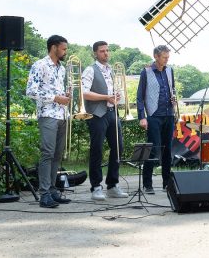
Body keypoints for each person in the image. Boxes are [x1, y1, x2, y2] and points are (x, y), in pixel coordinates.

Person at [26, 35, 71, 208]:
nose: (65, 51)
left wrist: (65, 97)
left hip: (61, 115)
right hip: (47, 115)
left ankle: (52, 191)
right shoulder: (40, 65)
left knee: (57, 155)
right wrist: (55, 98)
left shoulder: (62, 68)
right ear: (54, 48)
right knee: (47, 154)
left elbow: (58, 92)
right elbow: (31, 91)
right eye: (63, 48)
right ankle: (44, 194)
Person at [81, 40, 128, 202]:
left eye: (107, 50)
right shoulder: (90, 70)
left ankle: (113, 185)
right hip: (96, 114)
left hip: (111, 112)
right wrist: (106, 97)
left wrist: (116, 97)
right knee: (97, 150)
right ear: (95, 53)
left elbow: (112, 92)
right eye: (102, 51)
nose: (106, 53)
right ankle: (96, 187)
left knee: (119, 147)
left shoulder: (111, 71)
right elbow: (84, 93)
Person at [136, 44, 177, 195]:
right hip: (153, 116)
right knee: (153, 150)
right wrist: (142, 117)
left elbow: (172, 89)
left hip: (169, 114)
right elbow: (140, 97)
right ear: (156, 56)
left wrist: (174, 100)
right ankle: (147, 183)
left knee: (167, 151)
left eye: (168, 57)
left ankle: (167, 183)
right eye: (164, 57)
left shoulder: (170, 70)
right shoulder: (146, 72)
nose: (167, 60)